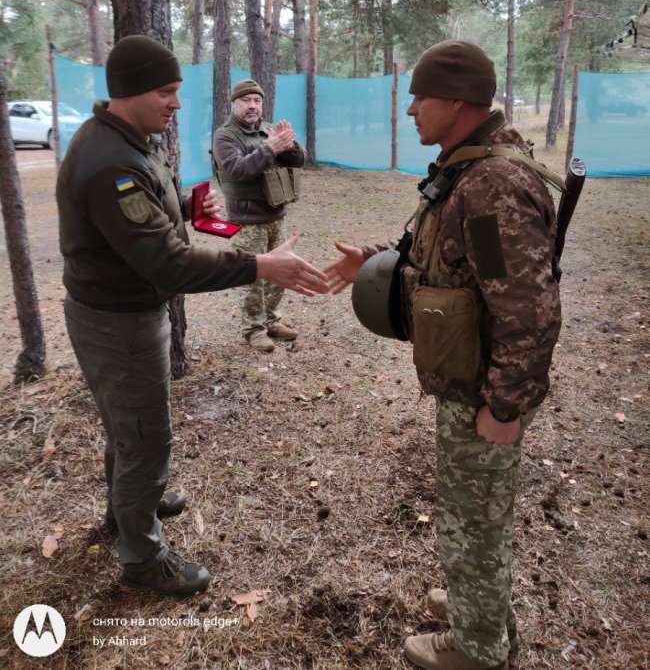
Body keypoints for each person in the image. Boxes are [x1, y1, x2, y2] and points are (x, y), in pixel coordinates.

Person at [56, 35, 327, 598]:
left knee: (126, 430)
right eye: (167, 92)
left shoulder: (128, 139)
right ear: (130, 91)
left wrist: (186, 204)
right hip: (119, 320)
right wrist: (259, 265)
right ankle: (142, 556)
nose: (176, 103)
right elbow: (167, 263)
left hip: (120, 310)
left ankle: (126, 509)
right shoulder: (111, 161)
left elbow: (149, 214)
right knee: (144, 439)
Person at [325, 40, 562, 670]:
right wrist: (375, 264)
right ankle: (476, 600)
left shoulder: (492, 184)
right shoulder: (471, 167)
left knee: (474, 520)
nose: (410, 111)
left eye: (419, 97)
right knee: (475, 513)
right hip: (473, 379)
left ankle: (477, 646)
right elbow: (453, 264)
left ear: (456, 100)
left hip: (483, 389)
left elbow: (527, 311)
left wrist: (504, 406)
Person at [212, 79, 305, 352]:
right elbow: (236, 170)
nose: (252, 106)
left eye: (257, 101)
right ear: (234, 103)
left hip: (276, 215)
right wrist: (271, 148)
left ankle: (272, 320)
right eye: (246, 101)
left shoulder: (268, 130)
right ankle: (254, 329)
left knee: (280, 272)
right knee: (251, 275)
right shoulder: (225, 136)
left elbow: (298, 161)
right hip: (246, 221)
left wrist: (290, 145)